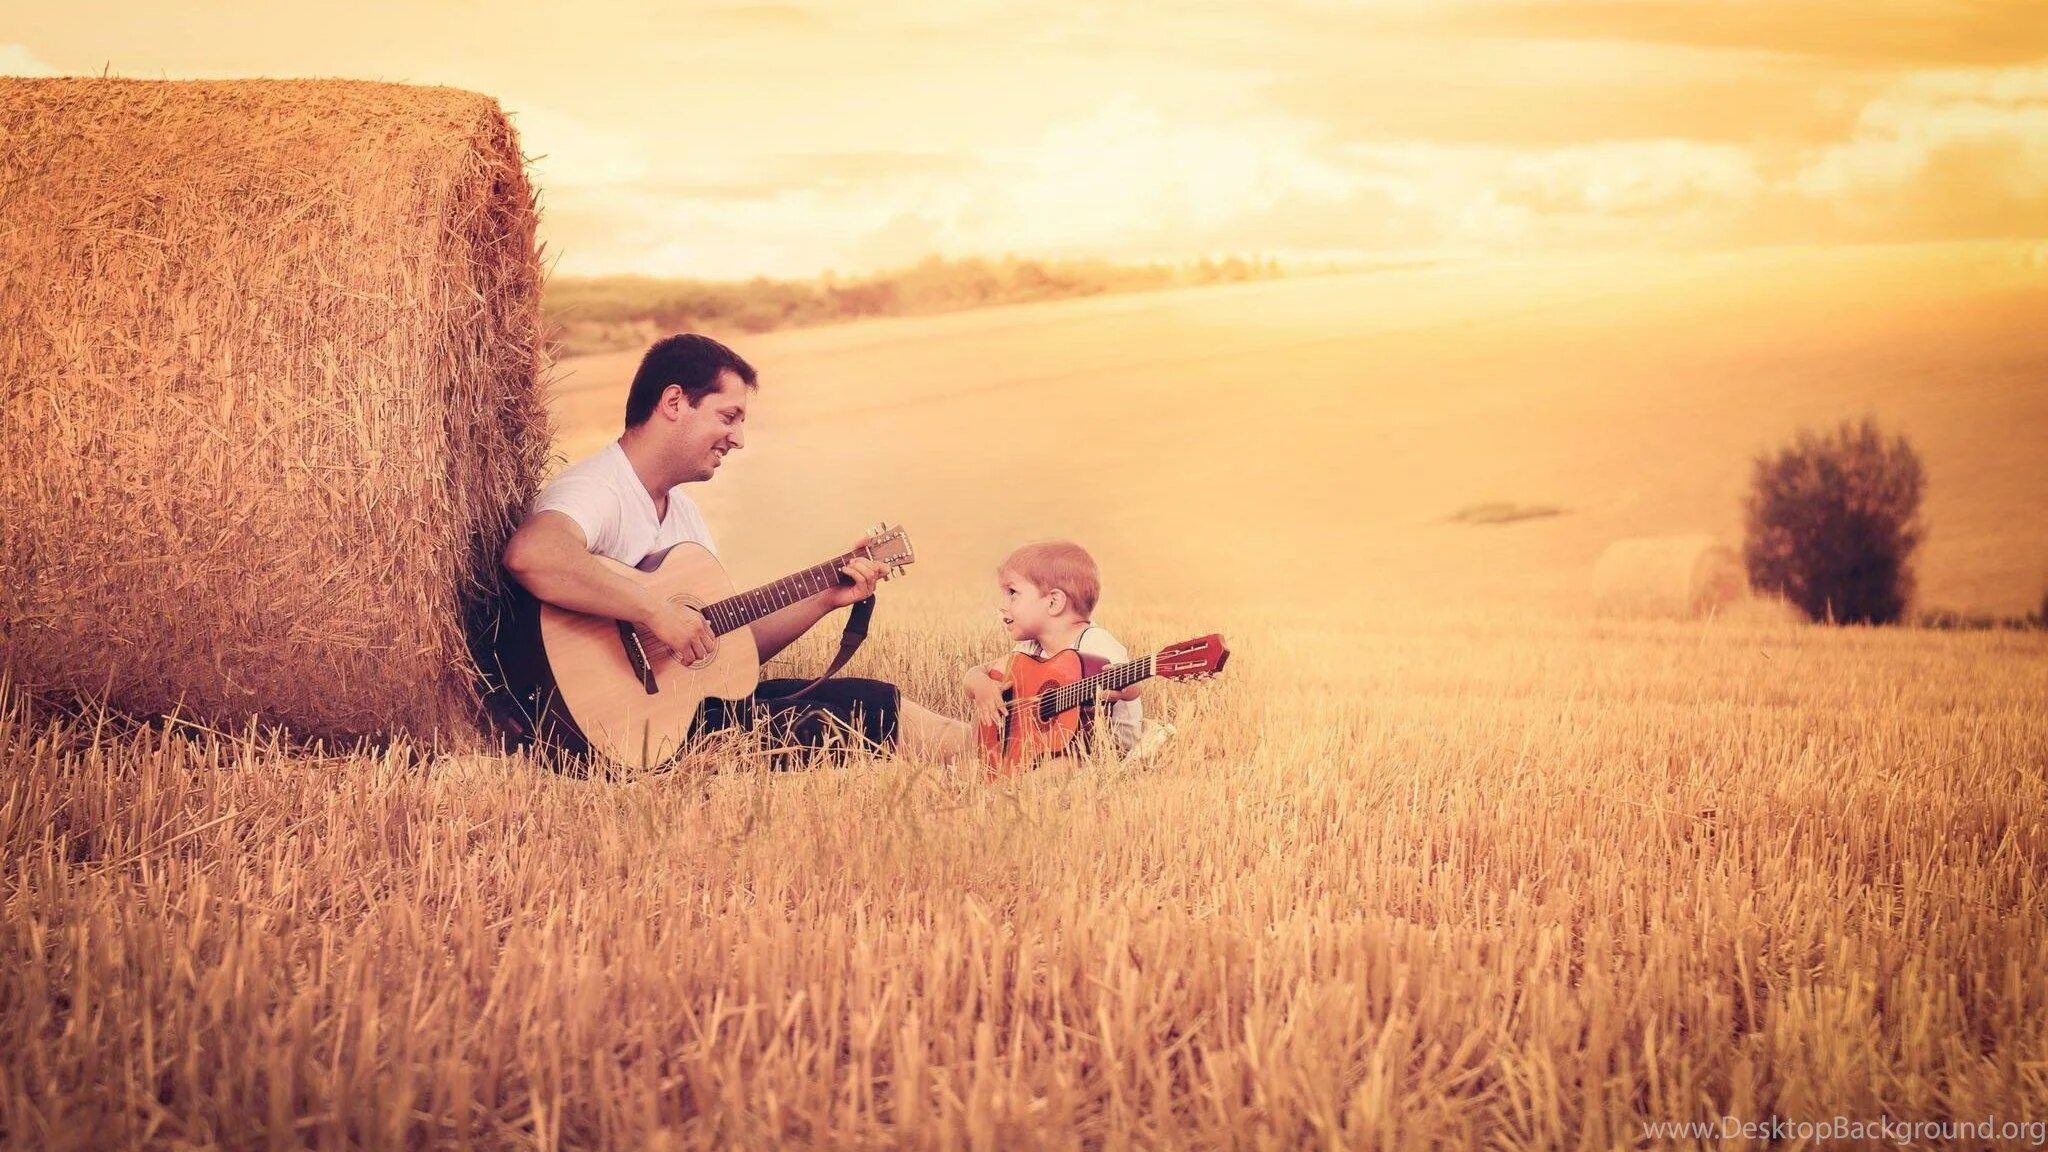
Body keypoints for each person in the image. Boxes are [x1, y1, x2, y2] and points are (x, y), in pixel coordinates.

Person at [501, 333, 969, 762]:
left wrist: (827, 597)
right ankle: (992, 749)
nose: (739, 439)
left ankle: (987, 745)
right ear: (674, 402)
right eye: (729, 417)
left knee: (846, 699)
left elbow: (722, 654)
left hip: (663, 720)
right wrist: (655, 612)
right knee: (843, 715)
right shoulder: (600, 486)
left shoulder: (682, 516)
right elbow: (532, 555)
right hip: (594, 731)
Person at [962, 540, 1153, 756]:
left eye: (1012, 593)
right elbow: (978, 672)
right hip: (1044, 750)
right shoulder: (1029, 648)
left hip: (1096, 754)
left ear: (1053, 602)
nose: (1002, 604)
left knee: (1057, 768)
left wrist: (1123, 687)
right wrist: (981, 685)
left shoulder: (1095, 643)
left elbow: (1130, 688)